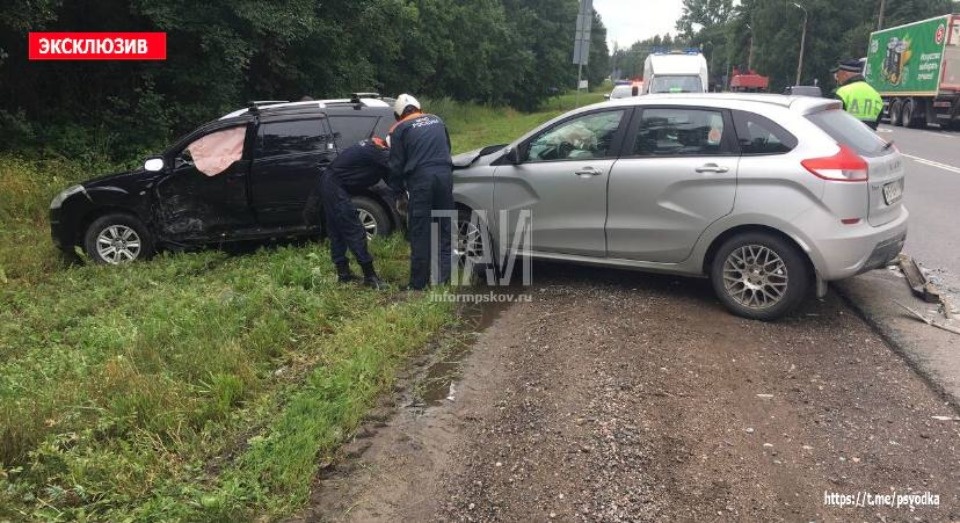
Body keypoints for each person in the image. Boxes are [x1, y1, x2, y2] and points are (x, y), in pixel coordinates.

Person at [387, 94, 455, 290]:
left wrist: (398, 192)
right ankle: (443, 281)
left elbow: (396, 166)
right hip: (444, 176)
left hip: (421, 181)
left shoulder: (400, 129)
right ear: (419, 107)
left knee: (420, 231)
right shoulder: (437, 120)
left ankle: (418, 284)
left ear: (398, 114)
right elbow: (447, 148)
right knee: (444, 228)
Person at [319, 137, 390, 289]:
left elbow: (389, 175)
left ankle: (344, 274)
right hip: (334, 186)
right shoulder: (375, 150)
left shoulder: (371, 146)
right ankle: (370, 276)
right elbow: (395, 165)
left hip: (329, 183)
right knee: (354, 229)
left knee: (337, 231)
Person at [832, 59, 883, 130]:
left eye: (838, 75)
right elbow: (878, 120)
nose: (837, 78)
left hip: (846, 137)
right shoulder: (875, 93)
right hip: (868, 139)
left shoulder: (842, 92)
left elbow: (834, 120)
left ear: (845, 75)